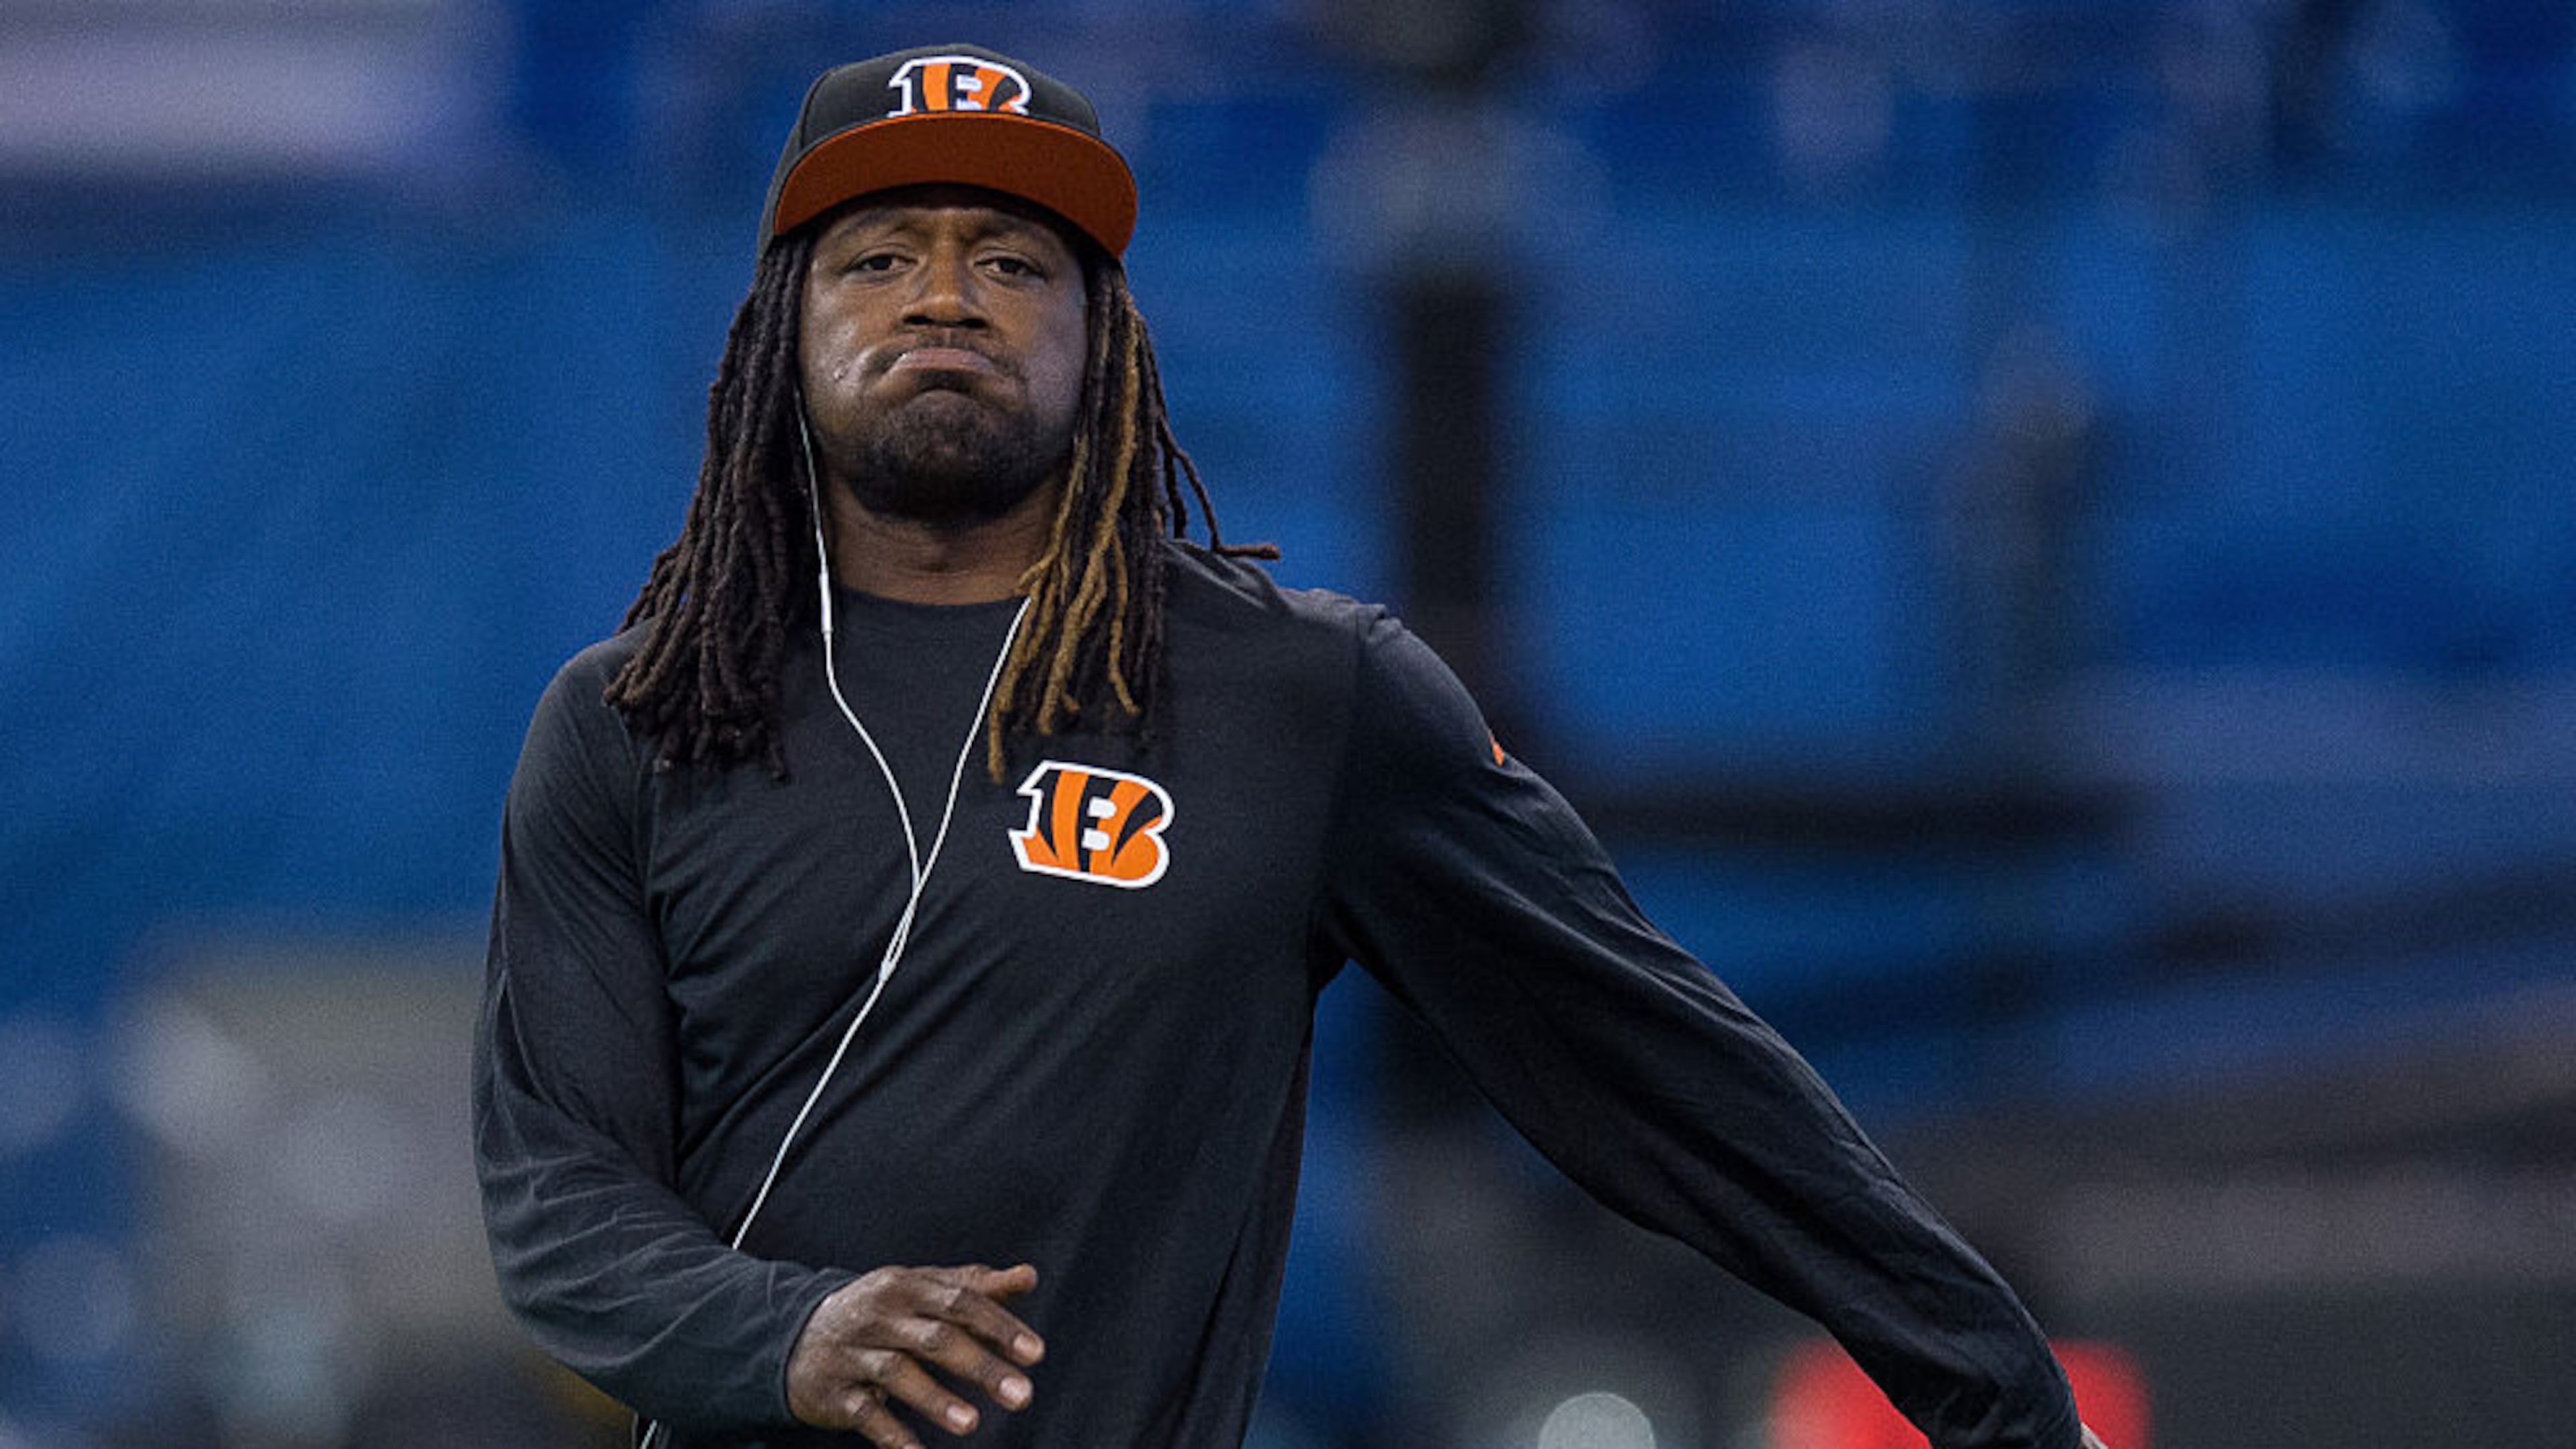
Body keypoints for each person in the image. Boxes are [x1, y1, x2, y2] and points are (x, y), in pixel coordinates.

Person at [471, 41, 2109, 1449]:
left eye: (1015, 260)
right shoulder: (634, 726)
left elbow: (1675, 1076)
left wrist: (1999, 1395)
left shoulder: (1299, 700)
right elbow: (560, 1197)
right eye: (882, 255)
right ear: (781, 331)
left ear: (1103, 338)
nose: (949, 297)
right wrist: (786, 1337)